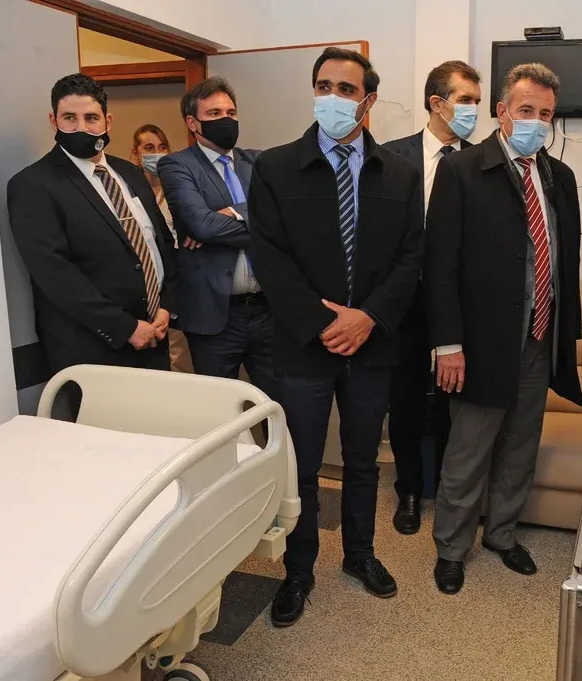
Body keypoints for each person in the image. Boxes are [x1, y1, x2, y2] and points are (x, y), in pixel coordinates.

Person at [249, 47, 422, 626]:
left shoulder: (399, 173)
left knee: (364, 460)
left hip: (373, 345)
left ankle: (360, 554)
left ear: (368, 100)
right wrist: (325, 323)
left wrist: (367, 317)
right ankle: (298, 570)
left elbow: (410, 257)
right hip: (304, 344)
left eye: (346, 89)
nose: (333, 98)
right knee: (299, 464)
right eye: (323, 86)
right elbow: (270, 258)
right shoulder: (275, 168)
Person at [425, 63, 582, 595]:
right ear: (501, 111)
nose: (536, 121)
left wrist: (563, 335)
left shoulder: (560, 178)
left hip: (540, 336)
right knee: (468, 449)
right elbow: (440, 265)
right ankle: (451, 547)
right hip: (482, 342)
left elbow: (563, 258)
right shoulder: (463, 170)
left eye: (546, 114)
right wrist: (448, 344)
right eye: (526, 110)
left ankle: (502, 533)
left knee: (521, 444)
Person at [7, 74, 177, 411]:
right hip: (94, 348)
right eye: (70, 118)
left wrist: (166, 306)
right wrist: (126, 328)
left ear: (107, 121)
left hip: (153, 336)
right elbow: (54, 273)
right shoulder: (33, 185)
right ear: (53, 121)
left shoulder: (129, 173)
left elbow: (161, 244)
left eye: (91, 118)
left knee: (158, 432)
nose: (81, 127)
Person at [381, 60, 482, 535]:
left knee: (450, 399)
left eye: (477, 102)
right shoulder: (392, 157)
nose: (473, 110)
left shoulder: (481, 161)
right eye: (465, 100)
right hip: (403, 302)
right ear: (436, 103)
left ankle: (443, 486)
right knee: (403, 399)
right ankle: (407, 488)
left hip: (458, 304)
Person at [157, 78, 278, 401]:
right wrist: (259, 224)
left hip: (267, 311)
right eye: (214, 113)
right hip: (214, 316)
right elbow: (202, 226)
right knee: (221, 407)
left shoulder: (258, 162)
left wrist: (233, 213)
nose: (226, 119)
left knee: (277, 406)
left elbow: (284, 220)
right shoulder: (177, 165)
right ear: (192, 123)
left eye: (231, 112)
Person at [130, 124, 194, 373]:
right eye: (148, 148)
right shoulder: (130, 192)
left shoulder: (180, 188)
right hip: (147, 284)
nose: (156, 153)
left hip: (181, 281)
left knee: (180, 356)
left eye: (162, 147)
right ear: (136, 154)